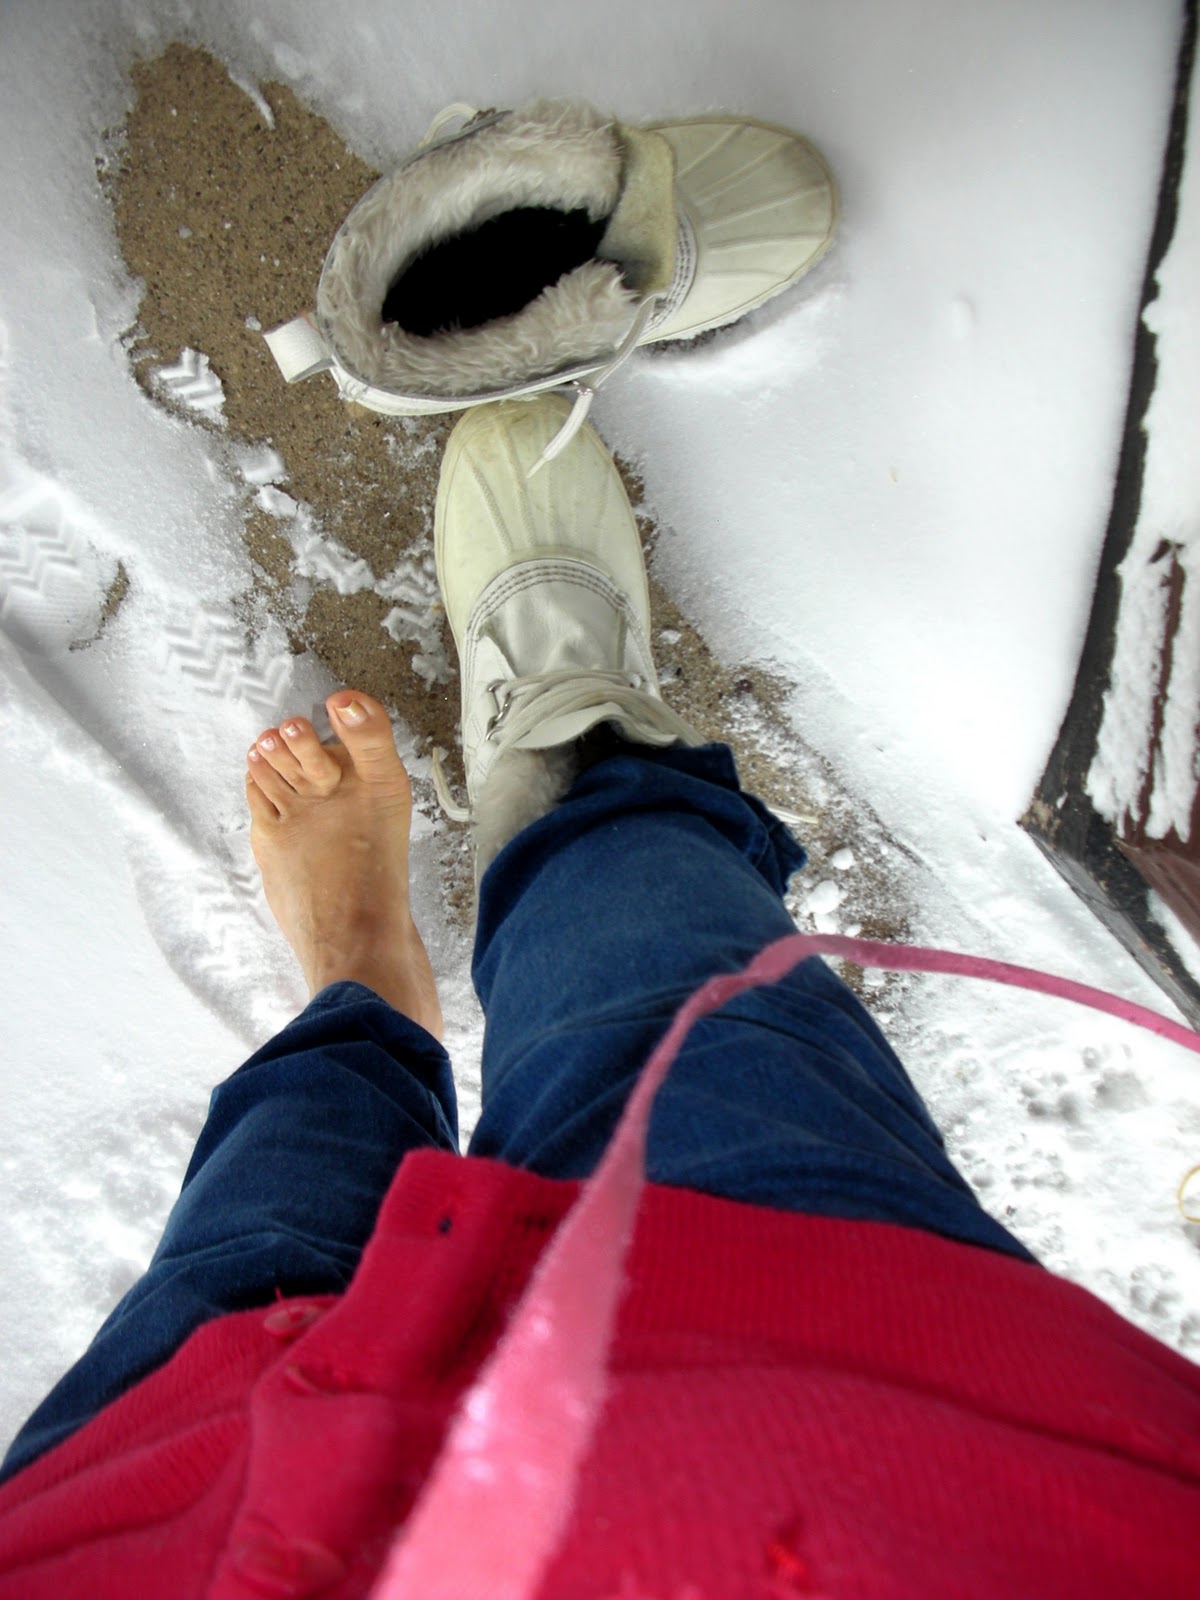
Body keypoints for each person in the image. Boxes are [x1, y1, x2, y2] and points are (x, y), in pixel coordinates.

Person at [0, 397, 1197, 1599]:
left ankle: (361, 963)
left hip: (161, 1516)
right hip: (861, 1399)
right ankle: (579, 776)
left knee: (277, 1204)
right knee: (663, 986)